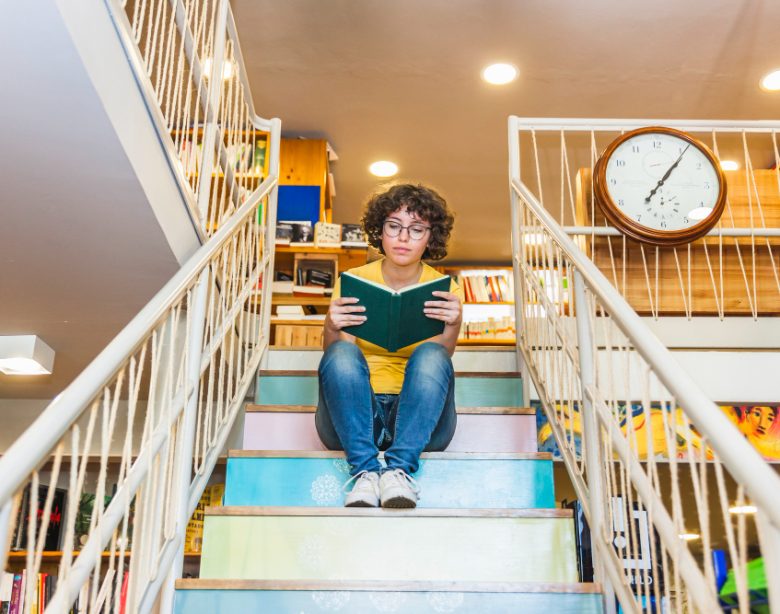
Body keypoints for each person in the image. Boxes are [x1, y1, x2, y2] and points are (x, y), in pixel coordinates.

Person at [316, 184, 463, 508]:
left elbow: (442, 357)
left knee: (432, 354)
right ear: (380, 231)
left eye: (416, 229)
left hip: (419, 420)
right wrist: (331, 327)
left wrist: (453, 324)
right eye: (394, 226)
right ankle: (365, 471)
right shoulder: (353, 280)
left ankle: (398, 470)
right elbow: (338, 358)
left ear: (430, 237)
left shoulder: (445, 288)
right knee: (341, 352)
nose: (403, 237)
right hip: (356, 417)